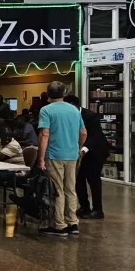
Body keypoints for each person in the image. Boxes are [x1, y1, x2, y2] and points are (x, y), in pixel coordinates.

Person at [37, 81, 87, 237]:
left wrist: (41, 158)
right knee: (70, 189)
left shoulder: (46, 110)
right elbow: (83, 132)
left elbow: (44, 134)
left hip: (54, 154)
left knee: (58, 190)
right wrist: (78, 147)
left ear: (48, 94)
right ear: (64, 93)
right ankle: (73, 222)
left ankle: (60, 225)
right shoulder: (74, 110)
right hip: (72, 155)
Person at [65, 95, 107, 219]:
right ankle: (84, 206)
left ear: (75, 105)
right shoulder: (68, 115)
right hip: (78, 151)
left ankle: (98, 210)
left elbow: (95, 136)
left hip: (95, 151)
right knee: (79, 179)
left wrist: (83, 149)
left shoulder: (91, 116)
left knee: (93, 180)